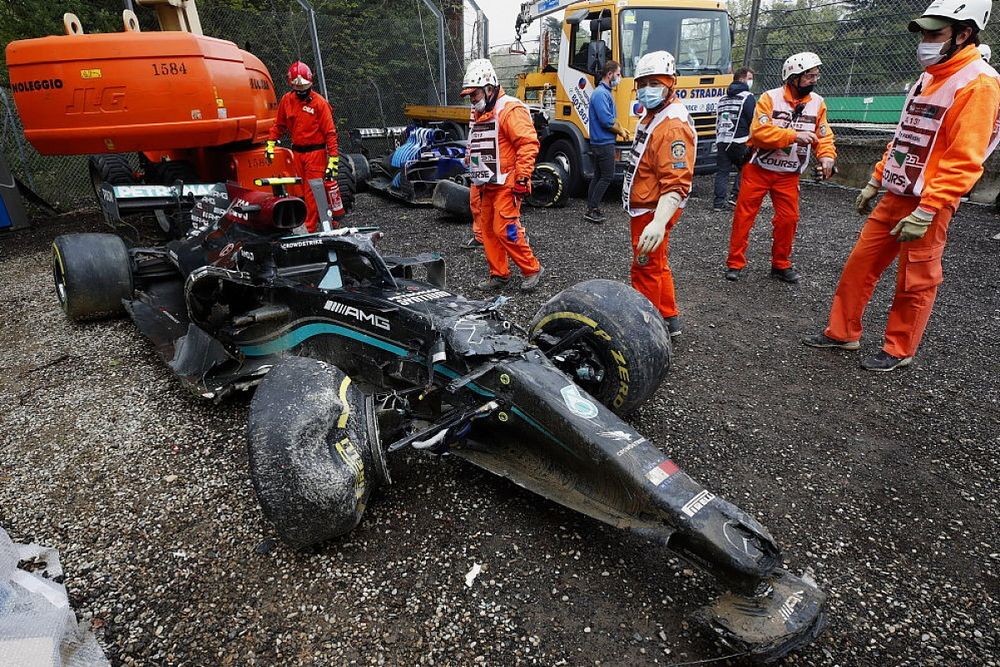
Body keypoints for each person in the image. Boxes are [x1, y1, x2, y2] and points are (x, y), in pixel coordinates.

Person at [804, 0, 1000, 372]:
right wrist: (876, 179)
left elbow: (965, 157)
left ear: (964, 34)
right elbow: (904, 136)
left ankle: (899, 348)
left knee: (916, 279)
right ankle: (842, 332)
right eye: (924, 33)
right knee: (860, 265)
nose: (925, 42)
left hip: (931, 201)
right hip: (897, 192)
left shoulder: (978, 83)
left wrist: (928, 210)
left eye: (934, 34)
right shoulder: (929, 77)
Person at [724, 52, 837, 284]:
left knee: (789, 219)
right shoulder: (769, 98)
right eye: (809, 76)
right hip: (759, 169)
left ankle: (780, 263)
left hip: (789, 174)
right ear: (793, 77)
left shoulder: (818, 103)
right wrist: (794, 135)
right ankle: (735, 263)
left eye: (816, 75)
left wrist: (827, 157)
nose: (814, 80)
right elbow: (759, 133)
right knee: (744, 216)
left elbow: (824, 136)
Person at [621, 51, 696, 337]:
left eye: (654, 83)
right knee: (658, 262)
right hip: (648, 204)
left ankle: (647, 330)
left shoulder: (671, 125)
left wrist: (658, 222)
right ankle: (668, 316)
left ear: (670, 83)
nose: (646, 89)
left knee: (645, 267)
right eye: (642, 84)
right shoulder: (656, 115)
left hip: (653, 208)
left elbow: (676, 182)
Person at [460, 59, 545, 292]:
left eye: (474, 94)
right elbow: (475, 141)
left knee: (505, 227)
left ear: (489, 88)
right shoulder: (481, 112)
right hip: (487, 182)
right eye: (469, 95)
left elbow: (528, 144)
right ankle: (499, 274)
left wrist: (522, 177)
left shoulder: (509, 109)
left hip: (508, 180)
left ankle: (532, 269)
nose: (472, 99)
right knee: (487, 229)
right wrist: (470, 160)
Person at [265, 61, 340, 233]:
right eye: (297, 87)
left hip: (316, 154)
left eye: (304, 87)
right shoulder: (287, 100)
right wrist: (270, 143)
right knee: (301, 191)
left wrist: (333, 159)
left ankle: (309, 228)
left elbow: (330, 132)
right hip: (297, 153)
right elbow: (279, 125)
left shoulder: (319, 103)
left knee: (312, 191)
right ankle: (327, 218)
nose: (301, 91)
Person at [585, 60, 631, 223]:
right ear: (609, 74)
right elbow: (606, 120)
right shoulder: (601, 94)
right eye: (618, 74)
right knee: (607, 177)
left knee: (598, 176)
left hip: (600, 142)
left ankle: (591, 208)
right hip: (603, 143)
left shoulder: (604, 92)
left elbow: (610, 118)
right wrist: (620, 131)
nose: (620, 77)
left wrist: (621, 128)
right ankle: (593, 209)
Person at [713, 67, 755, 211]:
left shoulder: (722, 99)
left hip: (722, 139)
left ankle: (718, 203)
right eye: (749, 78)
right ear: (742, 79)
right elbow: (752, 118)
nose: (751, 81)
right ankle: (735, 198)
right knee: (746, 168)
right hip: (740, 140)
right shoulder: (747, 97)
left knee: (722, 172)